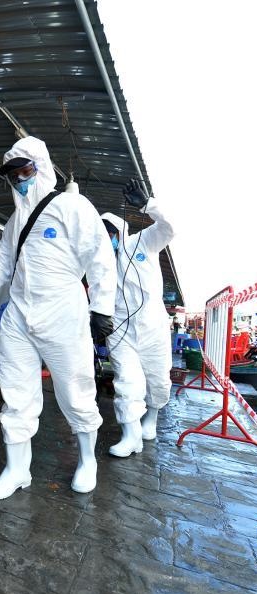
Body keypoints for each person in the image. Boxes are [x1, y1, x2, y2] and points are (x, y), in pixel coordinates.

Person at [0, 136, 117, 498]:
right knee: (15, 392)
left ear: (41, 167)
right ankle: (16, 470)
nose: (19, 179)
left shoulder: (72, 206)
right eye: (12, 174)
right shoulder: (15, 221)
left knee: (75, 389)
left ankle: (87, 461)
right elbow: (1, 262)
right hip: (18, 312)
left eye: (25, 171)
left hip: (63, 310)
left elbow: (100, 257)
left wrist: (102, 308)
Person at [101, 179, 175, 456]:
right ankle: (130, 436)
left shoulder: (142, 242)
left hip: (152, 325)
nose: (106, 237)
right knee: (127, 382)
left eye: (109, 232)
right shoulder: (98, 262)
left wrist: (148, 205)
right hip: (120, 328)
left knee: (158, 379)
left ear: (119, 231)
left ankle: (151, 418)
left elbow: (169, 228)